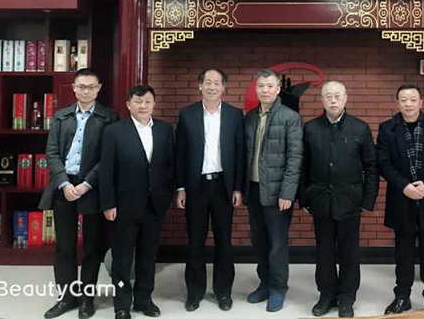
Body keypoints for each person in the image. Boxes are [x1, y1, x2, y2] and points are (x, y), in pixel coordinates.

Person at [39, 68, 118, 319]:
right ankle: (66, 297)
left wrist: (86, 185)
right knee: (64, 246)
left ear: (99, 88)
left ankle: (87, 300)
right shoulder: (60, 116)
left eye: (91, 87)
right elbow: (52, 153)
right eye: (81, 87)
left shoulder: (109, 118)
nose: (86, 91)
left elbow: (108, 158)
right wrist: (64, 183)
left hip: (92, 188)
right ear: (74, 88)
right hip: (64, 187)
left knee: (92, 248)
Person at [301, 81, 378, 318]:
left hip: (350, 201)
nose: (333, 100)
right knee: (323, 251)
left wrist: (367, 200)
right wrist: (304, 199)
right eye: (328, 96)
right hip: (320, 199)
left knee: (348, 252)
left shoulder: (360, 128)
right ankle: (326, 295)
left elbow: (371, 166)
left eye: (337, 96)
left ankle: (346, 298)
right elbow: (303, 166)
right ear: (322, 100)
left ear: (345, 99)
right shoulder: (310, 128)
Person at [100, 85, 175, 319]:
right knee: (122, 258)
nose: (143, 106)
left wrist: (167, 194)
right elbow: (106, 170)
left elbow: (170, 165)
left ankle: (144, 299)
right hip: (124, 205)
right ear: (128, 104)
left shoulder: (164, 129)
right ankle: (122, 304)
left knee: (148, 256)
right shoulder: (114, 131)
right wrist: (108, 203)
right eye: (138, 102)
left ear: (154, 104)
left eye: (148, 102)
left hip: (155, 204)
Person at [175, 69, 245, 312]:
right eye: (208, 82)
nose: (212, 87)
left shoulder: (235, 115)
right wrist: (181, 187)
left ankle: (223, 292)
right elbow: (180, 153)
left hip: (223, 185)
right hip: (195, 186)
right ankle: (194, 292)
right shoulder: (187, 114)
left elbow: (240, 153)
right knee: (195, 240)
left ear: (224, 88)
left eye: (217, 83)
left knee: (223, 240)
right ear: (200, 86)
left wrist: (238, 187)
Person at [377, 84, 424, 314]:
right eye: (403, 100)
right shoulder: (387, 129)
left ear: (421, 103)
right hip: (402, 199)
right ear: (397, 103)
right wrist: (404, 186)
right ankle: (402, 297)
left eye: (412, 99)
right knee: (403, 254)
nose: (408, 104)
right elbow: (383, 163)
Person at [244, 68, 303, 312]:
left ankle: (278, 288)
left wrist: (288, 193)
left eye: (270, 86)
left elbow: (295, 158)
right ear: (256, 89)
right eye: (261, 86)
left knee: (277, 245)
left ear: (278, 89)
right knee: (259, 242)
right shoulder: (249, 118)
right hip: (254, 190)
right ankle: (265, 283)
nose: (265, 90)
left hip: (278, 194)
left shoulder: (291, 117)